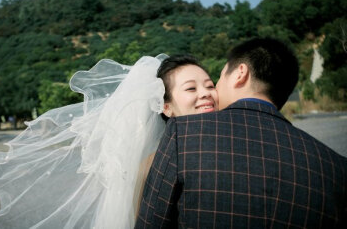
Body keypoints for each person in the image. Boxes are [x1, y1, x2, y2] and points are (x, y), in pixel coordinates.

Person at [0, 54, 218, 229]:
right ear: (166, 107)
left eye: (210, 85)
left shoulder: (228, 143)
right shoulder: (153, 163)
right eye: (191, 88)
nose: (206, 93)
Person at [136, 37, 347, 228]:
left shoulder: (183, 139)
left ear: (240, 73)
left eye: (213, 82)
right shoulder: (337, 167)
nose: (210, 93)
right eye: (191, 88)